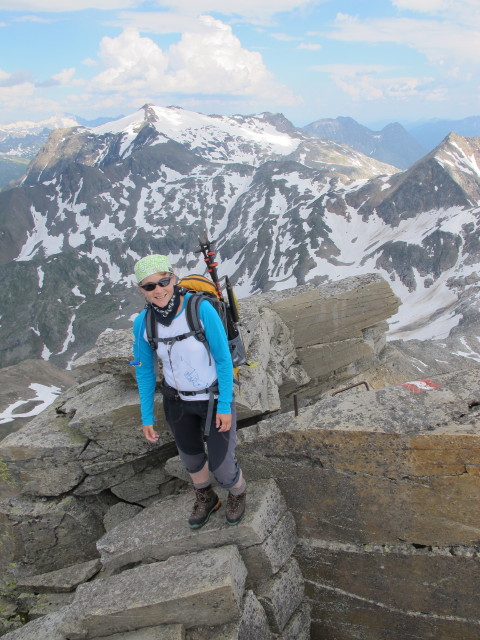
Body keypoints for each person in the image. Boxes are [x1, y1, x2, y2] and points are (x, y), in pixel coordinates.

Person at [132, 254, 247, 529]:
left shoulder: (201, 309)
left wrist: (224, 405)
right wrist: (146, 416)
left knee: (222, 467)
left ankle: (238, 492)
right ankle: (206, 498)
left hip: (214, 398)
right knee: (191, 459)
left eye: (163, 281)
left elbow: (223, 360)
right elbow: (144, 370)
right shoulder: (142, 323)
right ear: (141, 290)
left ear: (173, 278)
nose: (158, 290)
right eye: (149, 286)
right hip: (177, 402)